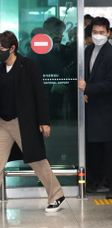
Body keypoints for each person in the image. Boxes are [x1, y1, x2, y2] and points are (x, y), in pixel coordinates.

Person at [0, 31, 65, 213]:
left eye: (2, 49)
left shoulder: (28, 65)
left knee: (37, 160)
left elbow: (40, 94)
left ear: (12, 48)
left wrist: (44, 121)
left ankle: (56, 195)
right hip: (3, 123)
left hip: (23, 122)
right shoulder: (0, 67)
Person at [78, 17, 112, 198]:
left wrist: (88, 88)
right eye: (95, 32)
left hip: (107, 109)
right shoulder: (87, 50)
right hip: (91, 107)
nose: (98, 35)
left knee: (110, 149)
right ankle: (94, 181)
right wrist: (85, 91)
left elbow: (111, 84)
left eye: (101, 32)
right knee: (93, 148)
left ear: (108, 32)